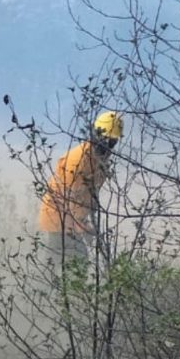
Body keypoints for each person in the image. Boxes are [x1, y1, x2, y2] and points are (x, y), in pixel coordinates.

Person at [38, 111, 122, 263]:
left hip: (73, 218)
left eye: (113, 141)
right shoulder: (78, 162)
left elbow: (91, 196)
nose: (109, 146)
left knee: (61, 261)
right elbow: (69, 200)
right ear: (96, 136)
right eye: (107, 140)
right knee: (76, 260)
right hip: (58, 216)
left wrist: (91, 223)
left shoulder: (99, 161)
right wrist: (85, 228)